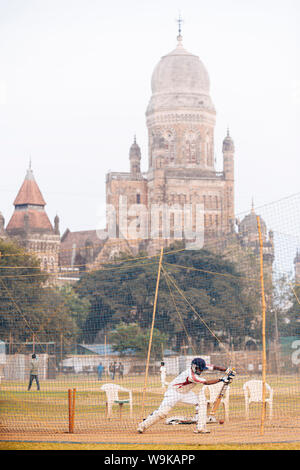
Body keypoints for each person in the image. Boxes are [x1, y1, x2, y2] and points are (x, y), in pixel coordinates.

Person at [137, 357, 235, 434]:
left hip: (186, 393)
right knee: (163, 413)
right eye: (199, 369)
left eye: (201, 369)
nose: (200, 371)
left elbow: (215, 367)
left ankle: (200, 428)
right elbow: (206, 382)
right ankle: (142, 425)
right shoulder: (191, 375)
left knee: (202, 402)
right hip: (174, 392)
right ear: (193, 367)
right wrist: (222, 379)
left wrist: (227, 370)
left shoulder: (200, 366)